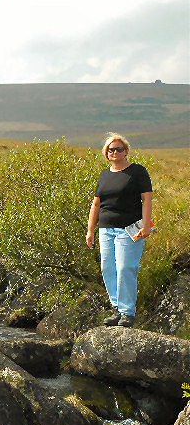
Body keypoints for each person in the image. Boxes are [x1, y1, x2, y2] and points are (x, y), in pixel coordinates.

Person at [86, 133, 153, 328]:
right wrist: (90, 230)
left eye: (118, 149)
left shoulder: (137, 171)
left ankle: (127, 312)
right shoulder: (104, 175)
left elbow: (147, 199)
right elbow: (96, 204)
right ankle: (117, 308)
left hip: (129, 229)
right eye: (110, 149)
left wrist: (146, 224)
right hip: (106, 229)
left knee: (125, 268)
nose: (114, 152)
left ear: (126, 151)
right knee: (108, 268)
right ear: (106, 153)